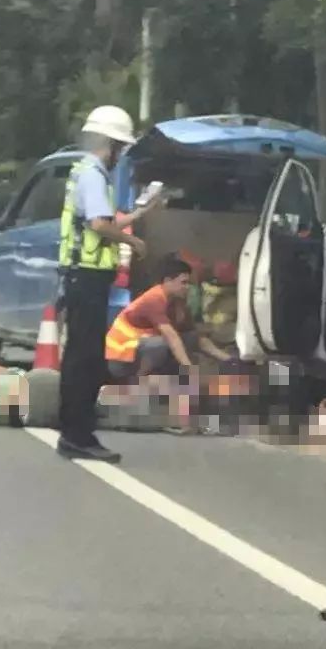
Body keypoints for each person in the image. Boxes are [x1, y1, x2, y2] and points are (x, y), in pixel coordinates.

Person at [55, 105, 148, 463]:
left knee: (81, 355)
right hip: (87, 277)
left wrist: (140, 214)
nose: (120, 155)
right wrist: (132, 241)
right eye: (121, 148)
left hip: (82, 275)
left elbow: (101, 220)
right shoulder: (93, 174)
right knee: (85, 357)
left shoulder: (84, 172)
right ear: (110, 144)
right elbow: (98, 225)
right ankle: (78, 435)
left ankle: (75, 432)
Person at [105, 254, 233, 382]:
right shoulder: (154, 299)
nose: (187, 287)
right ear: (167, 281)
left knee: (190, 337)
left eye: (189, 283)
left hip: (141, 349)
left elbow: (195, 337)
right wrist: (190, 370)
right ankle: (138, 379)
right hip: (121, 356)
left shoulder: (178, 301)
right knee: (162, 344)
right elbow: (171, 336)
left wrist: (228, 359)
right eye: (183, 283)